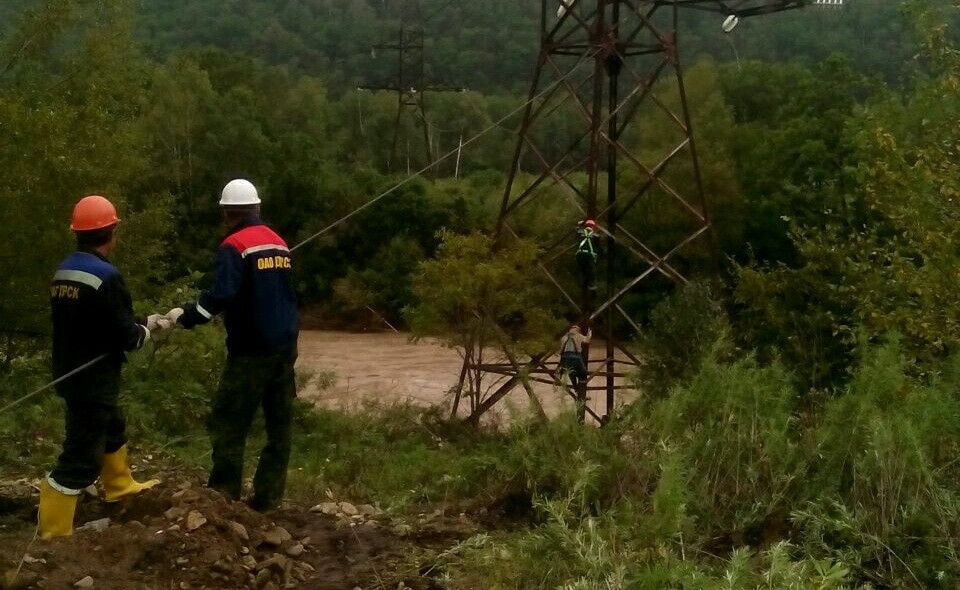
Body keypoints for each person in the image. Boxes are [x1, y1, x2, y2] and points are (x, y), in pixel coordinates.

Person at [164, 179, 299, 512]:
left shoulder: (234, 246)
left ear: (227, 212)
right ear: (256, 207)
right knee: (279, 427)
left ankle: (224, 496)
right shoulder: (278, 243)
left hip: (251, 351)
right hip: (284, 348)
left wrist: (187, 315)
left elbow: (221, 296)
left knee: (229, 420)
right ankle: (268, 499)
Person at [40, 195, 167, 539]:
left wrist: (144, 320)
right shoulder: (107, 276)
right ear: (112, 232)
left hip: (70, 370)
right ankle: (53, 534)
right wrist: (146, 331)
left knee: (113, 425)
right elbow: (124, 336)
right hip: (93, 378)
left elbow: (95, 320)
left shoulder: (64, 271)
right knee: (80, 458)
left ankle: (120, 485)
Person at [559, 324, 591, 390]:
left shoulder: (563, 337)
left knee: (571, 371)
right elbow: (587, 340)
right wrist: (590, 333)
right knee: (583, 372)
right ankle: (581, 389)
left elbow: (561, 349)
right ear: (578, 330)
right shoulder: (578, 335)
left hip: (565, 357)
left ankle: (575, 388)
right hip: (576, 356)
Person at [576, 219, 598, 291]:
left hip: (580, 254)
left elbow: (576, 230)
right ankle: (592, 285)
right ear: (593, 227)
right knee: (591, 269)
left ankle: (581, 283)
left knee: (581, 269)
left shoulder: (580, 232)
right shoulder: (595, 235)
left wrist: (580, 224)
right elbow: (598, 247)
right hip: (589, 254)